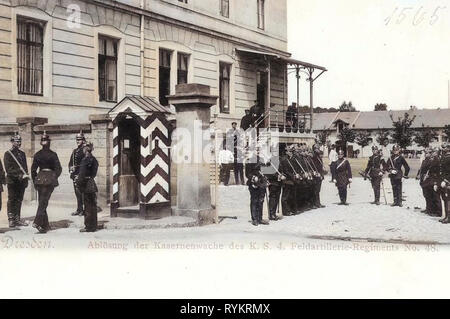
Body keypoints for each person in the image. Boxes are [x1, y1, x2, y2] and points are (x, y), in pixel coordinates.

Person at [31, 132, 62, 233]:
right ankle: (38, 222)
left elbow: (33, 170)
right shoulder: (53, 155)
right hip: (48, 181)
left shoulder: (37, 155)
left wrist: (35, 180)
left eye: (45, 140)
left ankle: (44, 225)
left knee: (42, 201)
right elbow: (59, 169)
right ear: (49, 143)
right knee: (43, 202)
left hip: (40, 180)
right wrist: (53, 177)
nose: (45, 142)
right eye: (44, 141)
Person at [4, 133, 29, 228]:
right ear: (12, 142)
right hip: (12, 181)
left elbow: (25, 168)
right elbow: (8, 169)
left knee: (19, 199)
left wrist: (25, 178)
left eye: (20, 141)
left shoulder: (22, 154)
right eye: (17, 141)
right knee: (12, 199)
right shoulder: (8, 154)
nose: (19, 143)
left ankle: (17, 219)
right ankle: (11, 219)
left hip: (21, 182)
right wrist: (19, 175)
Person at [76, 142, 99, 232]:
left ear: (85, 150)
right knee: (93, 205)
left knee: (88, 206)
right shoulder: (94, 160)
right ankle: (93, 226)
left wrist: (78, 183)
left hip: (85, 184)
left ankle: (88, 226)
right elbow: (94, 173)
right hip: (91, 183)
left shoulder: (85, 160)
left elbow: (81, 174)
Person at [245, 150, 269, 226]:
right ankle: (254, 219)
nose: (258, 151)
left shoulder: (262, 160)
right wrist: (253, 177)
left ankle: (260, 218)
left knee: (261, 201)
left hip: (261, 184)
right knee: (254, 201)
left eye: (259, 150)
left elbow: (265, 172)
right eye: (256, 150)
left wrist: (266, 179)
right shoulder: (249, 160)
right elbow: (247, 174)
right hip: (254, 184)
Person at [69, 131, 86, 216]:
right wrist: (70, 168)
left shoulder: (85, 150)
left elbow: (86, 163)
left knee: (82, 193)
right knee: (77, 193)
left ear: (83, 140)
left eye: (79, 139)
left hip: (81, 175)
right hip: (74, 175)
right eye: (77, 139)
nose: (78, 141)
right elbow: (70, 162)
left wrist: (80, 172)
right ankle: (79, 209)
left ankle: (83, 210)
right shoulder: (75, 151)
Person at [422, 148, 442, 216]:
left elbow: (437, 171)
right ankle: (430, 209)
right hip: (429, 179)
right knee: (429, 195)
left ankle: (438, 212)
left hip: (435, 178)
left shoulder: (437, 160)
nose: (431, 153)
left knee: (436, 196)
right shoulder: (430, 159)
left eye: (433, 152)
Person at [280, 145, 299, 216]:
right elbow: (286, 171)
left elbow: (294, 168)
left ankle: (290, 209)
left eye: (292, 151)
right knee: (285, 196)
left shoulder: (291, 159)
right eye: (290, 151)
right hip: (287, 180)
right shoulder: (284, 160)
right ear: (286, 152)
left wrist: (296, 175)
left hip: (292, 179)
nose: (291, 153)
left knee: (291, 195)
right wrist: (293, 176)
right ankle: (285, 211)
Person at [416, 148, 432, 214]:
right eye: (425, 153)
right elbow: (421, 169)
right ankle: (427, 208)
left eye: (428, 153)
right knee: (425, 194)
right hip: (423, 178)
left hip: (427, 179)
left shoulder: (431, 161)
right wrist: (418, 175)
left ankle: (430, 209)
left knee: (428, 194)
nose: (426, 154)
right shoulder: (424, 160)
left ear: (430, 154)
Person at [438, 142, 450, 223]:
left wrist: (447, 181)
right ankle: (446, 216)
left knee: (448, 199)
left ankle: (449, 217)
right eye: (442, 148)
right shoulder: (443, 157)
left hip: (448, 181)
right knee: (445, 198)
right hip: (442, 180)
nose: (443, 149)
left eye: (444, 148)